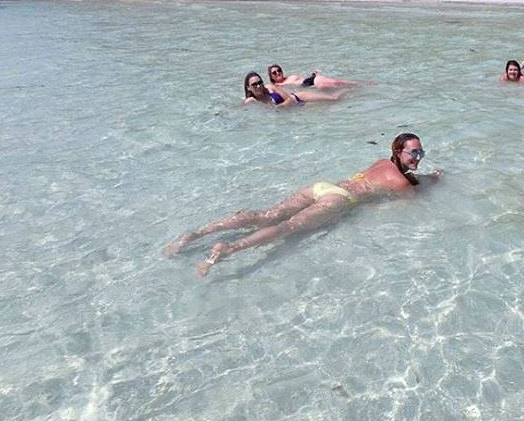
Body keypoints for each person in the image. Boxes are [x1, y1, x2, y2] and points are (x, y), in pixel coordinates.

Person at [164, 133, 442, 276]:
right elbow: (410, 198)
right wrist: (435, 181)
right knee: (287, 227)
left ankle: (196, 234)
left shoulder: (381, 163)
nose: (418, 156)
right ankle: (229, 248)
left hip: (324, 186)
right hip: (340, 199)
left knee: (266, 215)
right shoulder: (403, 183)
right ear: (398, 151)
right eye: (414, 152)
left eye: (421, 151)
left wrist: (424, 177)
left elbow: (403, 176)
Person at [242, 72, 345, 107]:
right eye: (254, 84)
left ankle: (349, 91)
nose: (258, 86)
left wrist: (281, 107)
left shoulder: (270, 88)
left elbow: (288, 98)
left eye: (260, 82)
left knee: (334, 98)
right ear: (248, 87)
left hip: (298, 98)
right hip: (295, 110)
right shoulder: (251, 101)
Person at [268, 64, 359, 90]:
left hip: (309, 81)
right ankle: (359, 85)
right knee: (337, 84)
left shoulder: (288, 78)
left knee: (338, 83)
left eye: (279, 70)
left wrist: (312, 75)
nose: (278, 73)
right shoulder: (277, 85)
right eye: (274, 73)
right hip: (306, 84)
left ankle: (358, 85)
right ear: (272, 77)